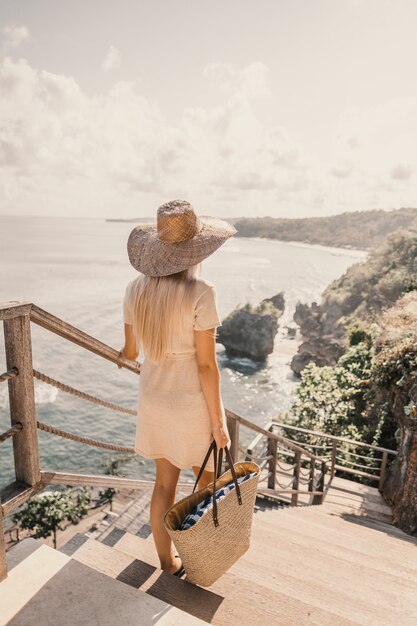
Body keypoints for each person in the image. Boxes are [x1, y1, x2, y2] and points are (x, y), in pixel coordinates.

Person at [117, 199, 237, 577]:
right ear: (196, 250)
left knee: (163, 486)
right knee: (205, 486)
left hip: (154, 398)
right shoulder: (202, 291)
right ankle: (201, 559)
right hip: (189, 404)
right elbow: (206, 365)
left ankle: (167, 563)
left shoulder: (135, 289)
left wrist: (120, 352)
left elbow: (131, 352)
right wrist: (218, 422)